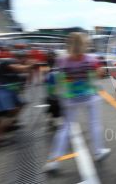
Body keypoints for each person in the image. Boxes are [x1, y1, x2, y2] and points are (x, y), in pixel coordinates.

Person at [43, 33, 110, 172]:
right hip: (89, 97)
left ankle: (54, 161)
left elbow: (60, 80)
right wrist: (99, 71)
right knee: (94, 124)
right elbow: (99, 75)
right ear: (85, 44)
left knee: (65, 128)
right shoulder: (91, 59)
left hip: (70, 99)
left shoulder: (61, 60)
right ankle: (98, 152)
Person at [0, 52, 34, 144]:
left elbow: (25, 82)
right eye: (24, 59)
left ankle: (11, 123)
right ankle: (0, 136)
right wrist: (29, 66)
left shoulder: (19, 73)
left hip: (10, 92)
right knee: (8, 112)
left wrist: (29, 70)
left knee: (20, 106)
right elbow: (18, 68)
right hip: (2, 91)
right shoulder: (9, 61)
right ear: (20, 58)